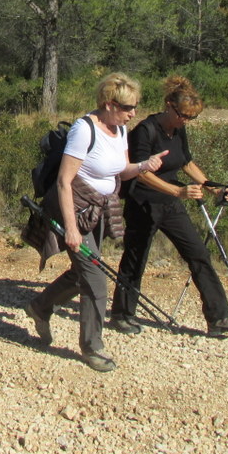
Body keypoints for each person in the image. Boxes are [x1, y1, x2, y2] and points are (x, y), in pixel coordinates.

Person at [23, 72, 167, 372]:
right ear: (109, 103)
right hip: (73, 210)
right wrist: (71, 229)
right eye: (128, 108)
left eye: (136, 107)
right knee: (96, 279)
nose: (133, 114)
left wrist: (144, 165)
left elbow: (120, 171)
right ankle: (92, 346)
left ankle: (39, 307)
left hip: (99, 211)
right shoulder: (84, 130)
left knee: (82, 274)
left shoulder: (121, 131)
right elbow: (64, 182)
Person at [109, 76, 228, 338]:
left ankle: (219, 319)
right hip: (143, 202)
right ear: (169, 105)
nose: (186, 121)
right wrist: (177, 190)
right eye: (183, 115)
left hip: (171, 203)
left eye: (191, 118)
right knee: (136, 257)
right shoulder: (145, 130)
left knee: (198, 254)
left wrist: (211, 186)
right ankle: (122, 314)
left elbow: (186, 163)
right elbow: (139, 172)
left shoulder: (179, 130)